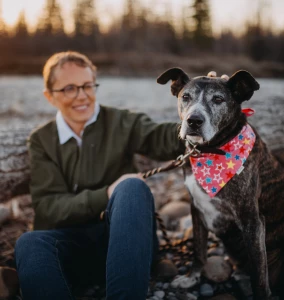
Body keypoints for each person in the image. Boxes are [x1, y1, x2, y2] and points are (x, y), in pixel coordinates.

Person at [14, 51, 185, 300]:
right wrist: (105, 194)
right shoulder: (42, 141)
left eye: (87, 86)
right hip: (72, 250)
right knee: (28, 243)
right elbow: (48, 208)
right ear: (50, 97)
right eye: (69, 88)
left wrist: (207, 114)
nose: (82, 96)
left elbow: (163, 137)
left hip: (126, 244)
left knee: (131, 188)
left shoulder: (122, 122)